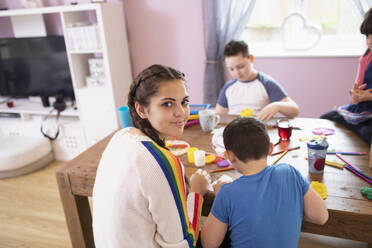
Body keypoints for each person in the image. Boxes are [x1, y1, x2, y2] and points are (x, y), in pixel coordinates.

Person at [92, 64, 211, 247]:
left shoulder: (121, 137)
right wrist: (196, 193)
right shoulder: (161, 162)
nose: (181, 112)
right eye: (168, 104)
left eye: (184, 102)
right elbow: (182, 245)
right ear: (141, 110)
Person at [201, 117, 328, 248]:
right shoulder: (289, 172)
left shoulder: (227, 193)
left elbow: (208, 243)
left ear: (230, 155)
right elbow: (321, 217)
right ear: (271, 148)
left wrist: (220, 198)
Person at [320, 8, 372, 144]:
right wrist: (356, 96)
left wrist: (369, 97)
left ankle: (358, 128)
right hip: (362, 109)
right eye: (367, 36)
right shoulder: (366, 58)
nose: (370, 41)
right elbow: (357, 90)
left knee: (368, 133)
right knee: (326, 118)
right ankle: (357, 126)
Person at [215, 40, 299, 122]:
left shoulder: (266, 83)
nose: (237, 73)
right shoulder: (228, 87)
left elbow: (295, 111)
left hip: (259, 130)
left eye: (240, 66)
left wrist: (277, 106)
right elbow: (218, 116)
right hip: (235, 130)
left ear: (251, 59)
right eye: (231, 69)